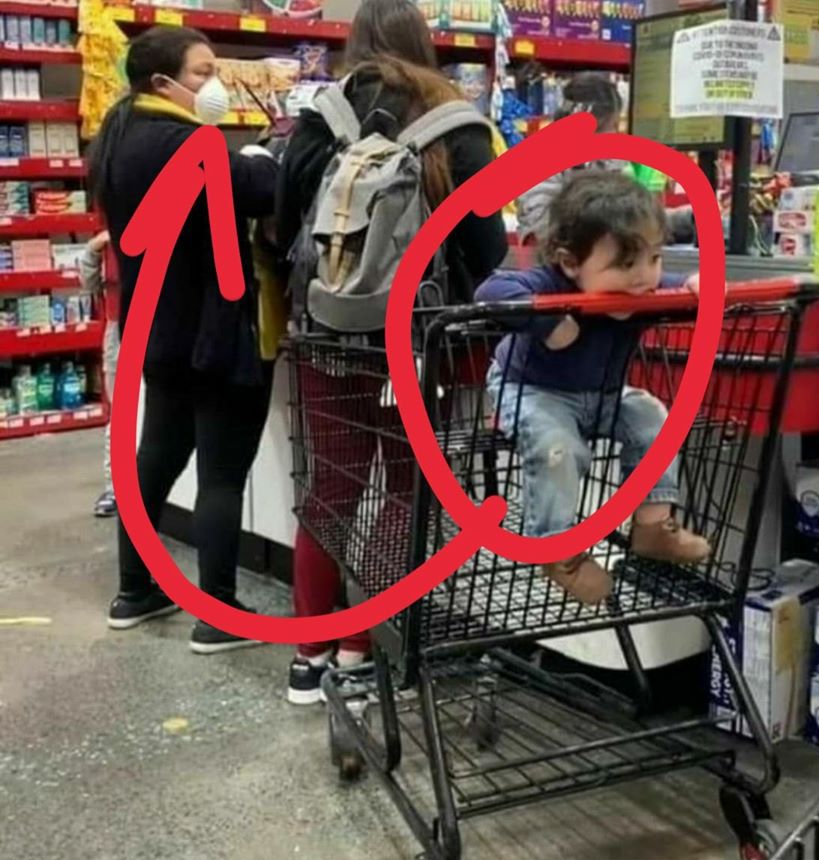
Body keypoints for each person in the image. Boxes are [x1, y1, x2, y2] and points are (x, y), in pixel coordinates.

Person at [276, 0, 508, 705]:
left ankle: (310, 655)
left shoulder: (321, 118)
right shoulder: (458, 126)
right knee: (406, 490)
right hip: (418, 347)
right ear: (425, 45)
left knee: (330, 491)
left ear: (354, 43)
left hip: (326, 337)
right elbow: (491, 252)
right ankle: (362, 648)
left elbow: (286, 227)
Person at [87, 26, 278, 653]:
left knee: (155, 461)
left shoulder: (120, 137)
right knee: (222, 474)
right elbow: (258, 192)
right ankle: (219, 613)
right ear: (161, 82)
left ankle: (135, 590)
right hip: (211, 333)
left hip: (155, 331)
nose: (213, 84)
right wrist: (265, 156)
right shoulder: (185, 142)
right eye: (201, 73)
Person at [478, 170, 710, 605]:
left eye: (654, 258)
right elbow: (492, 290)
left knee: (652, 417)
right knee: (555, 446)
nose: (645, 277)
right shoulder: (550, 282)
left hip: (602, 395)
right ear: (569, 263)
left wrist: (692, 285)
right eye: (625, 264)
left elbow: (669, 285)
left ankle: (653, 526)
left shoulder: (642, 287)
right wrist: (547, 319)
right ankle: (558, 549)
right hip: (532, 389)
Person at [516, 72, 625, 244]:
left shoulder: (609, 159)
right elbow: (538, 231)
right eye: (610, 126)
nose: (614, 134)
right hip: (556, 260)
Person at [79, 230, 120, 518]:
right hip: (118, 331)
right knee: (120, 416)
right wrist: (94, 248)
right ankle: (116, 489)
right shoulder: (107, 241)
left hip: (159, 327)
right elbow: (88, 283)